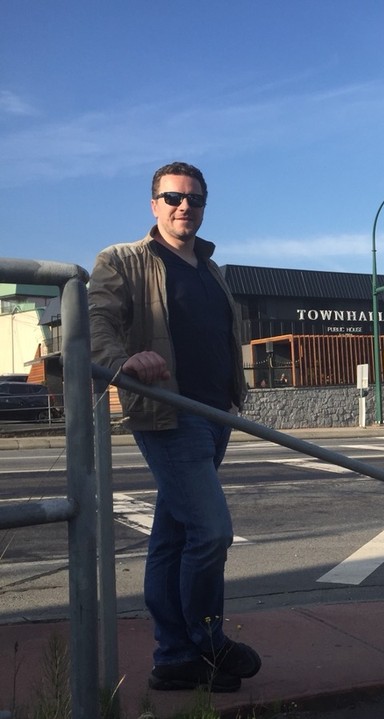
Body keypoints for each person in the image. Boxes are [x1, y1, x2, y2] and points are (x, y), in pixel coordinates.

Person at [88, 162, 260, 693]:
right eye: (173, 197)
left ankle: (173, 659)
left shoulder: (211, 269)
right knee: (211, 533)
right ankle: (208, 643)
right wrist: (124, 361)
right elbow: (97, 322)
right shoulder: (122, 260)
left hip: (216, 414)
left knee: (173, 536)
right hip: (170, 412)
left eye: (196, 199)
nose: (185, 206)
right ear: (153, 203)